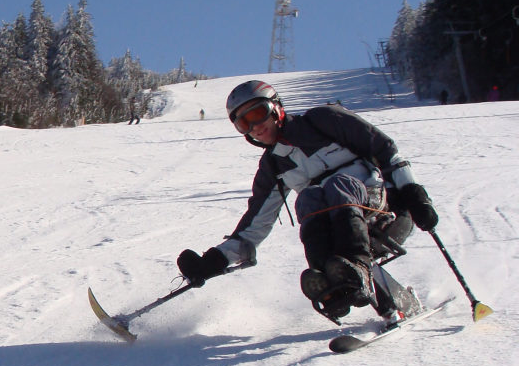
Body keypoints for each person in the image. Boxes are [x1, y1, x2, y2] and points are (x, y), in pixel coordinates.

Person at [176, 80, 440, 320]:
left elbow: (387, 151)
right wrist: (213, 260)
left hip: (385, 211)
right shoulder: (273, 166)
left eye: (257, 114)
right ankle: (330, 285)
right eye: (243, 123)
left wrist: (416, 196)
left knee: (337, 185)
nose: (255, 127)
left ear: (276, 107)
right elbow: (254, 226)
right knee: (308, 198)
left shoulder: (324, 120)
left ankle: (356, 269)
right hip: (337, 226)